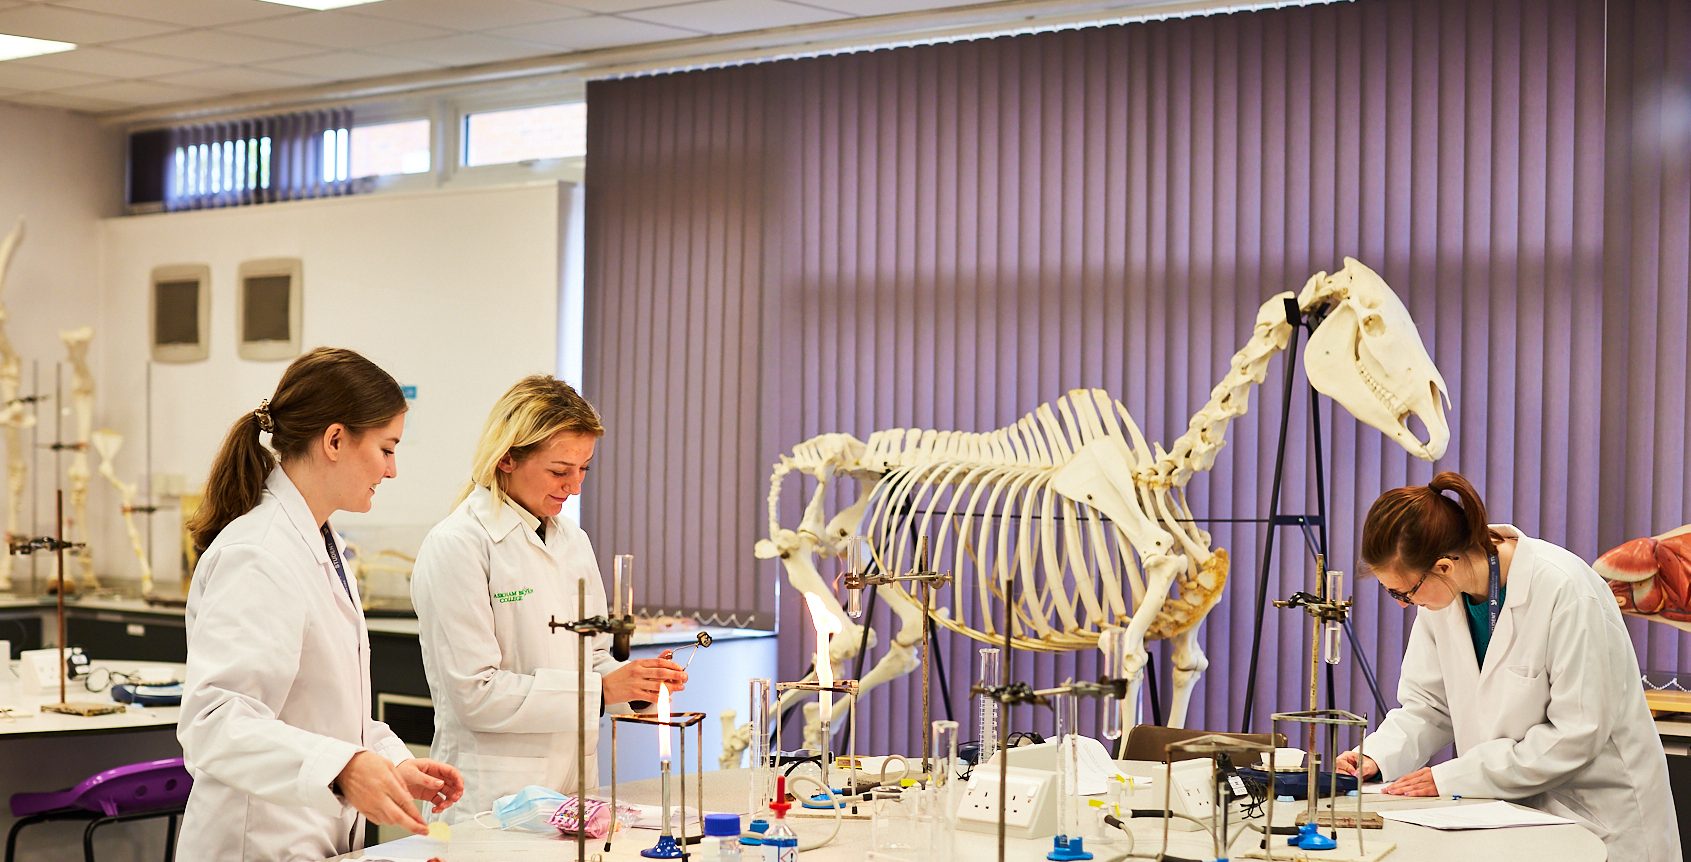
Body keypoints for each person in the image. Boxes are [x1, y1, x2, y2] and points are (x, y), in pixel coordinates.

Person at [177, 348, 464, 860]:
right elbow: (214, 722)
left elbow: (327, 711)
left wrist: (388, 761)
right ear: (335, 440)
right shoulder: (259, 553)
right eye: (387, 448)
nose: (393, 470)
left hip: (307, 836)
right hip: (257, 842)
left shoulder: (319, 542)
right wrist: (344, 768)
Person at [1336, 471, 1678, 861]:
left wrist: (1449, 777)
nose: (1401, 604)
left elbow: (1576, 733)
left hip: (1600, 817)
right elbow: (1429, 707)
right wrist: (1376, 756)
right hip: (1509, 817)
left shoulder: (1565, 590)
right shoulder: (1442, 601)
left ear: (1445, 566)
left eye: (1404, 591)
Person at [411, 375, 687, 821]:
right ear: (506, 459)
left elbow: (596, 656)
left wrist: (637, 688)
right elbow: (474, 693)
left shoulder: (572, 540)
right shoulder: (458, 544)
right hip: (490, 798)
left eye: (583, 470)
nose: (574, 487)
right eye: (560, 471)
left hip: (575, 789)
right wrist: (600, 691)